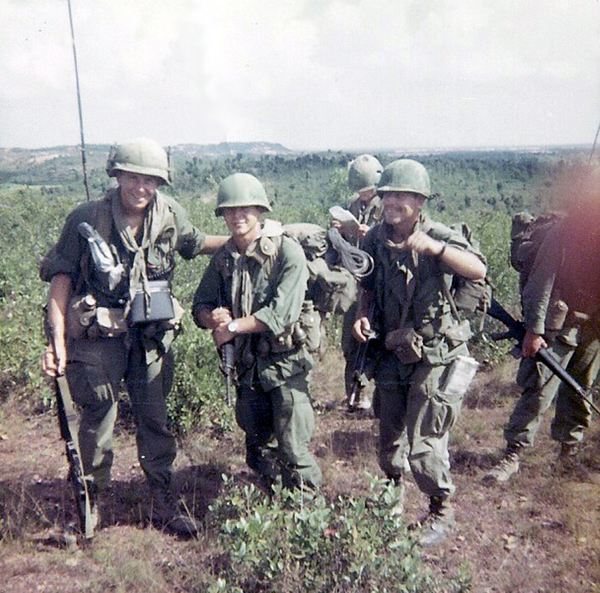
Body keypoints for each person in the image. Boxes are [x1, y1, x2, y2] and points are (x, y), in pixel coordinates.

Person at [40, 137, 226, 537]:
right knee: (96, 421)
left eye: (151, 180)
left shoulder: (170, 215)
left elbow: (199, 243)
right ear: (117, 175)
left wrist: (250, 236)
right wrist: (56, 340)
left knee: (155, 420)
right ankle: (89, 506)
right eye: (133, 177)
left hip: (151, 337)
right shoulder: (86, 218)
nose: (141, 188)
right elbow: (61, 280)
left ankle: (163, 501)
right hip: (98, 338)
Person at [353, 159, 486, 546]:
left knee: (425, 437)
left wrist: (437, 249)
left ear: (419, 199)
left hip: (435, 353)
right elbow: (368, 286)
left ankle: (440, 510)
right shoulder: (376, 237)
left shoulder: (438, 235)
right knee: (388, 430)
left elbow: (477, 269)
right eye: (387, 194)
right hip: (393, 349)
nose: (392, 202)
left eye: (402, 195)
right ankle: (391, 493)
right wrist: (362, 316)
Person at [192, 173, 322, 496]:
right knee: (257, 443)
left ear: (261, 211)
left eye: (246, 209)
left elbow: (281, 314)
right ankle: (274, 495)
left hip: (285, 365)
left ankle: (308, 511)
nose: (238, 216)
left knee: (294, 446)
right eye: (230, 210)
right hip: (248, 367)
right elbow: (200, 304)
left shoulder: (287, 253)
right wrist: (212, 318)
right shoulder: (224, 258)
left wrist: (231, 327)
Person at [484, 167, 600, 484]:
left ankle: (568, 452)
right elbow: (541, 282)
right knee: (539, 390)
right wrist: (534, 330)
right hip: (558, 325)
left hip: (593, 328)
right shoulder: (563, 231)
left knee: (580, 387)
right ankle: (512, 455)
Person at [331, 154, 383, 411]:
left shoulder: (387, 205)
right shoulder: (351, 205)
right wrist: (339, 230)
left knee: (380, 343)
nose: (363, 195)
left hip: (382, 282)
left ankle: (383, 400)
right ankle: (354, 395)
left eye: (368, 190)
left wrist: (371, 234)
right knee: (352, 341)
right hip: (355, 281)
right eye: (360, 190)